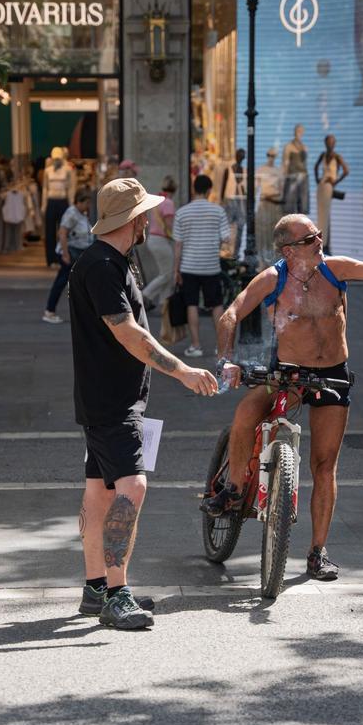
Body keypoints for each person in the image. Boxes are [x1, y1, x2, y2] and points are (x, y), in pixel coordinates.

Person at [205, 213, 363, 580]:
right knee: (245, 412)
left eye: (318, 234)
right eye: (310, 238)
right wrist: (227, 361)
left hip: (333, 374)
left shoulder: (335, 268)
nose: (319, 240)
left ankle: (318, 552)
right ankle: (234, 487)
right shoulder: (274, 278)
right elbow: (231, 314)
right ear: (288, 250)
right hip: (286, 371)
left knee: (324, 465)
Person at [68, 178, 218, 628]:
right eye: (145, 214)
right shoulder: (102, 266)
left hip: (106, 398)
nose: (150, 220)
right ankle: (117, 593)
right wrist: (184, 371)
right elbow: (129, 333)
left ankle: (96, 588)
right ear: (133, 220)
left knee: (99, 491)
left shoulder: (108, 261)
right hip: (113, 402)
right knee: (132, 488)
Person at [173, 174, 231, 357]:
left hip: (189, 266)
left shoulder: (182, 212)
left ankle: (196, 346)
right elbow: (226, 238)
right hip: (211, 265)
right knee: (216, 305)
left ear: (194, 189)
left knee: (191, 304)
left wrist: (176, 269)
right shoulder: (218, 211)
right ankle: (220, 347)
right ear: (209, 190)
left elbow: (178, 245)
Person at [42, 191, 95, 324]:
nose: (88, 206)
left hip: (78, 253)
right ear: (79, 202)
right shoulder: (71, 213)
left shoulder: (81, 214)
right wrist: (65, 254)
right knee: (62, 282)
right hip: (71, 253)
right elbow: (62, 233)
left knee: (77, 283)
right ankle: (50, 310)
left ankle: (82, 311)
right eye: (87, 203)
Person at [140, 175, 177, 309]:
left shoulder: (158, 200)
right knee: (167, 274)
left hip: (153, 239)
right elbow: (169, 225)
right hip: (161, 240)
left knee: (165, 273)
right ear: (174, 190)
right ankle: (145, 294)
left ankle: (164, 302)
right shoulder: (169, 203)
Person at [314, 136, 349, 253]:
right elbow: (315, 167)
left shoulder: (337, 157)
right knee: (321, 214)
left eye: (332, 143)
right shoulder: (323, 155)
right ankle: (321, 241)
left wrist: (335, 181)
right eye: (328, 142)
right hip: (321, 186)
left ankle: (325, 243)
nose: (330, 145)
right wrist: (318, 180)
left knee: (325, 214)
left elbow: (346, 171)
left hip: (329, 186)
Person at [255, 149, 285, 259]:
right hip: (264, 204)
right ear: (267, 156)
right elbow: (255, 189)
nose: (271, 158)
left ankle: (273, 260)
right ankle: (262, 259)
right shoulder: (261, 170)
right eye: (270, 155)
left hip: (275, 204)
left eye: (273, 156)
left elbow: (281, 191)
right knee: (263, 232)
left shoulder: (279, 171)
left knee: (274, 232)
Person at [281, 125, 309, 216]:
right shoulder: (288, 146)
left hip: (303, 177)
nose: (299, 133)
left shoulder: (304, 147)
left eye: (301, 131)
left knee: (303, 205)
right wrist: (283, 178)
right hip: (292, 176)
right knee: (290, 205)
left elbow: (305, 163)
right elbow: (285, 163)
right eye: (298, 131)